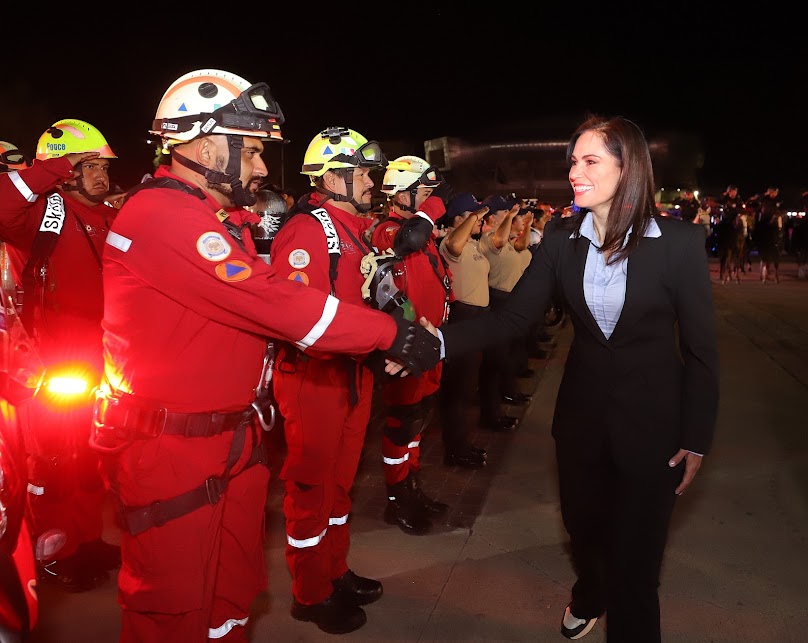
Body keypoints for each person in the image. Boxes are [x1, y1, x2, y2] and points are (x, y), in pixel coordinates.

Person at [92, 69, 440, 642]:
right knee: (172, 608)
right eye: (251, 150)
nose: (260, 169)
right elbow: (268, 299)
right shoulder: (162, 217)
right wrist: (387, 335)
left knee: (231, 597)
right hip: (174, 449)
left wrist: (391, 322)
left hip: (227, 439)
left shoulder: (205, 218)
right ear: (203, 145)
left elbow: (278, 289)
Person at [432, 115, 720, 642]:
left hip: (654, 428)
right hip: (581, 422)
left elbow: (702, 351)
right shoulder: (562, 239)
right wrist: (438, 341)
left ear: (627, 167)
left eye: (589, 161)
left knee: (637, 569)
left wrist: (696, 435)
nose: (573, 172)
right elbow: (514, 317)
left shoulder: (679, 243)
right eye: (573, 161)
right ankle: (590, 590)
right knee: (583, 530)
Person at [268, 126, 393, 634]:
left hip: (350, 374)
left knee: (340, 486)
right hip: (314, 380)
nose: (371, 181)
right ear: (333, 176)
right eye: (362, 172)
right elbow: (298, 320)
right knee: (312, 489)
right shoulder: (308, 230)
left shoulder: (351, 227)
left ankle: (334, 570)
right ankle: (309, 592)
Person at [0, 122, 124, 593]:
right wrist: (48, 170)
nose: (100, 175)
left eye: (102, 166)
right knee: (53, 462)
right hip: (55, 360)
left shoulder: (112, 217)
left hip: (105, 357)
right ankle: (56, 552)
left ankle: (89, 540)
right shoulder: (44, 212)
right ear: (65, 172)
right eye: (87, 166)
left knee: (91, 459)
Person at [372, 155, 451, 536]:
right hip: (405, 348)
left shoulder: (424, 230)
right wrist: (434, 207)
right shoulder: (387, 229)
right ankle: (396, 497)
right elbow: (410, 240)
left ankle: (412, 485)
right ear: (401, 192)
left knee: (419, 419)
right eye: (423, 190)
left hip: (430, 343)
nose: (429, 197)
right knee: (401, 423)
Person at [437, 192, 490, 469]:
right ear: (460, 218)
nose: (480, 219)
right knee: (457, 390)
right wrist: (471, 219)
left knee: (467, 387)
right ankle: (455, 449)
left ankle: (462, 443)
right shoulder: (451, 242)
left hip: (477, 318)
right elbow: (454, 243)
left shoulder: (473, 244)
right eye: (473, 214)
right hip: (463, 318)